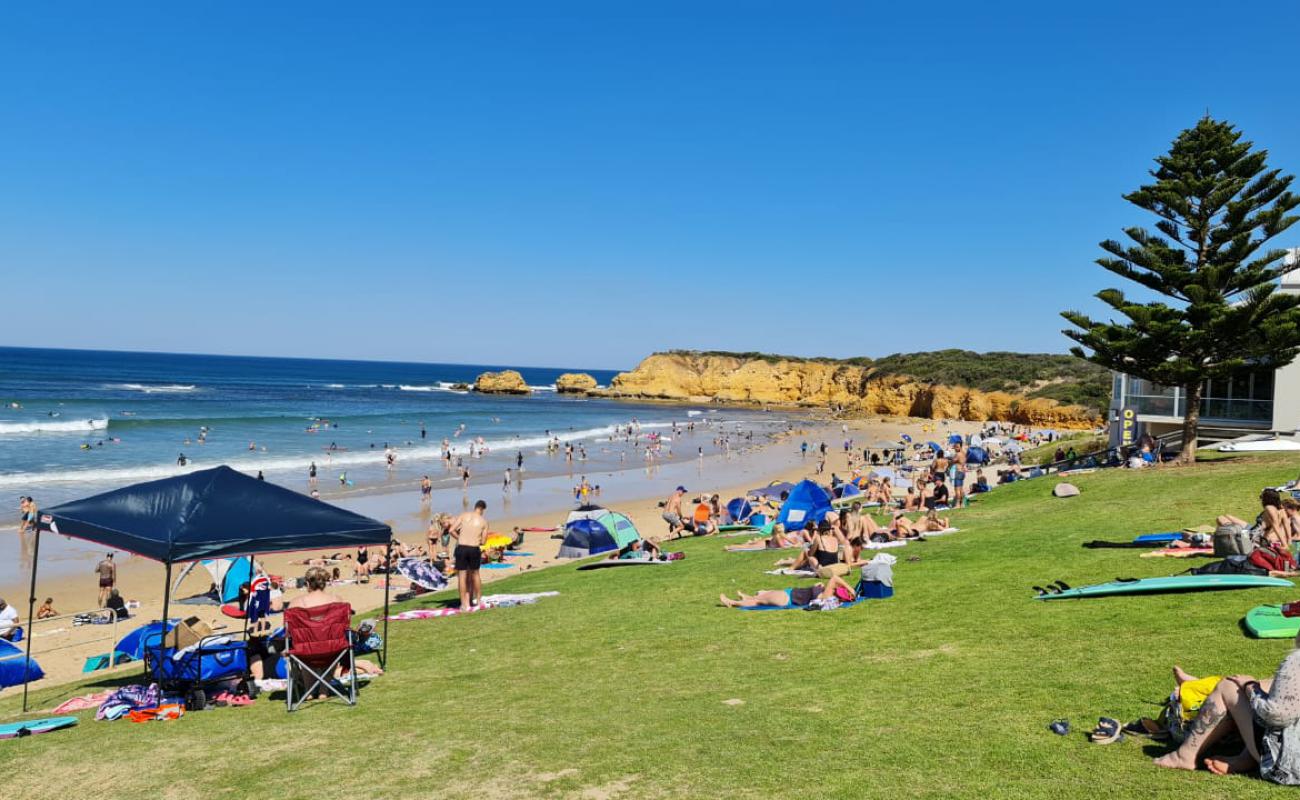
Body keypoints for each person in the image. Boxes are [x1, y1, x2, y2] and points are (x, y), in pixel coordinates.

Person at [1153, 654, 1300, 783]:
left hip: (1284, 767)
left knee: (1228, 687)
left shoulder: (1295, 661)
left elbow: (1275, 715)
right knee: (1265, 684)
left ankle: (1184, 755)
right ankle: (1245, 759)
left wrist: (1250, 686)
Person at [718, 574, 857, 608]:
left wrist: (850, 588)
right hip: (789, 593)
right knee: (764, 594)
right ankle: (745, 598)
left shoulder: (827, 595)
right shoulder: (826, 592)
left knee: (759, 601)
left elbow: (834, 577)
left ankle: (732, 602)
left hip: (788, 599)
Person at [450, 500, 488, 611]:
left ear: (475, 507)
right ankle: (479, 600)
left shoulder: (463, 515)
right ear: (482, 509)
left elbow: (451, 530)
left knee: (462, 576)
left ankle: (463, 604)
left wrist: (459, 538)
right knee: (475, 574)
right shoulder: (483, 522)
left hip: (461, 547)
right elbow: (484, 541)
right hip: (473, 548)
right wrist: (477, 539)